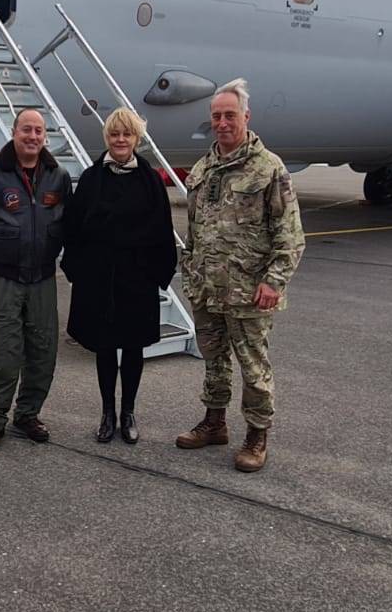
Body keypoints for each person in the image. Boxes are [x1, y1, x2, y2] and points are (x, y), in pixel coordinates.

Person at [177, 79, 305, 473]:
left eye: (230, 115)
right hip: (208, 287)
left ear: (246, 117)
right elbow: (195, 231)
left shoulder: (269, 168)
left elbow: (290, 233)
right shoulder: (203, 169)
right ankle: (214, 423)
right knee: (213, 359)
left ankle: (257, 435)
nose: (222, 123)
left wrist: (275, 280)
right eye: (216, 116)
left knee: (253, 364)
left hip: (250, 290)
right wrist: (191, 273)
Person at [0, 108, 74, 452]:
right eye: (26, 129)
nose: (33, 136)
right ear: (14, 132)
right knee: (4, 351)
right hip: (4, 278)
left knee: (43, 350)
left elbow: (65, 221)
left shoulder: (58, 175)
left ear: (45, 136)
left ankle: (28, 414)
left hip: (42, 277)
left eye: (38, 131)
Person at [61, 107, 178, 444]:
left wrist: (159, 273)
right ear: (107, 138)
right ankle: (107, 412)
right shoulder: (91, 178)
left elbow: (162, 228)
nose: (121, 140)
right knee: (104, 347)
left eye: (127, 134)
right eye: (115, 134)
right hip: (99, 279)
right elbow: (73, 227)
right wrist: (77, 270)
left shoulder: (150, 179)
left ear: (136, 138)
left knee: (133, 347)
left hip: (136, 279)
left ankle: (128, 412)